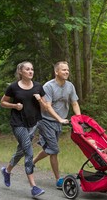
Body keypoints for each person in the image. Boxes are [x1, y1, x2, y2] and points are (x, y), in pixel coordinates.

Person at [0, 61, 46, 198]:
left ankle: (7, 171)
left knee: (21, 151)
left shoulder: (38, 86)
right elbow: (2, 102)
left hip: (33, 124)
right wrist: (14, 106)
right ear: (21, 72)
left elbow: (45, 107)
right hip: (18, 123)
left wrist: (40, 100)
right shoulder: (13, 87)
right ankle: (34, 187)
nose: (31, 71)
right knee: (29, 151)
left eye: (32, 69)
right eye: (27, 69)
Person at [33, 61, 81, 189]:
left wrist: (79, 119)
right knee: (54, 149)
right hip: (45, 121)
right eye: (64, 70)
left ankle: (31, 163)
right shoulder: (48, 86)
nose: (66, 72)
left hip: (58, 122)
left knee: (49, 148)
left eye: (68, 70)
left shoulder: (70, 86)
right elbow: (47, 106)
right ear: (56, 72)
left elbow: (74, 103)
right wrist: (60, 118)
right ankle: (58, 180)